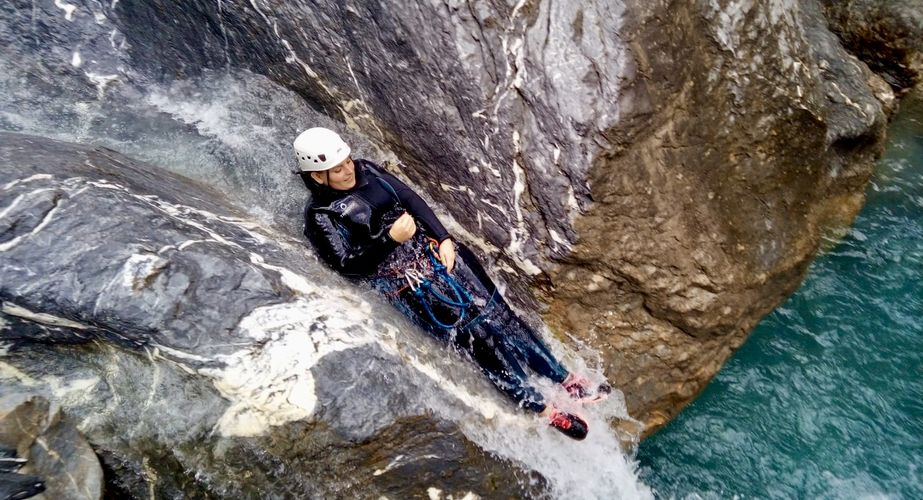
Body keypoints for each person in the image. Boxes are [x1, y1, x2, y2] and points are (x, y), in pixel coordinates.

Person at [294, 127, 609, 440]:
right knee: (480, 340)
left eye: (347, 161)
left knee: (502, 317)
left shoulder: (366, 170)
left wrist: (443, 237)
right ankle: (545, 410)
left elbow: (408, 198)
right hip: (410, 285)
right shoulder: (320, 216)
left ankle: (565, 379)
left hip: (434, 253)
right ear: (318, 176)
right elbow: (347, 266)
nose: (349, 169)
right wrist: (388, 240)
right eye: (338, 169)